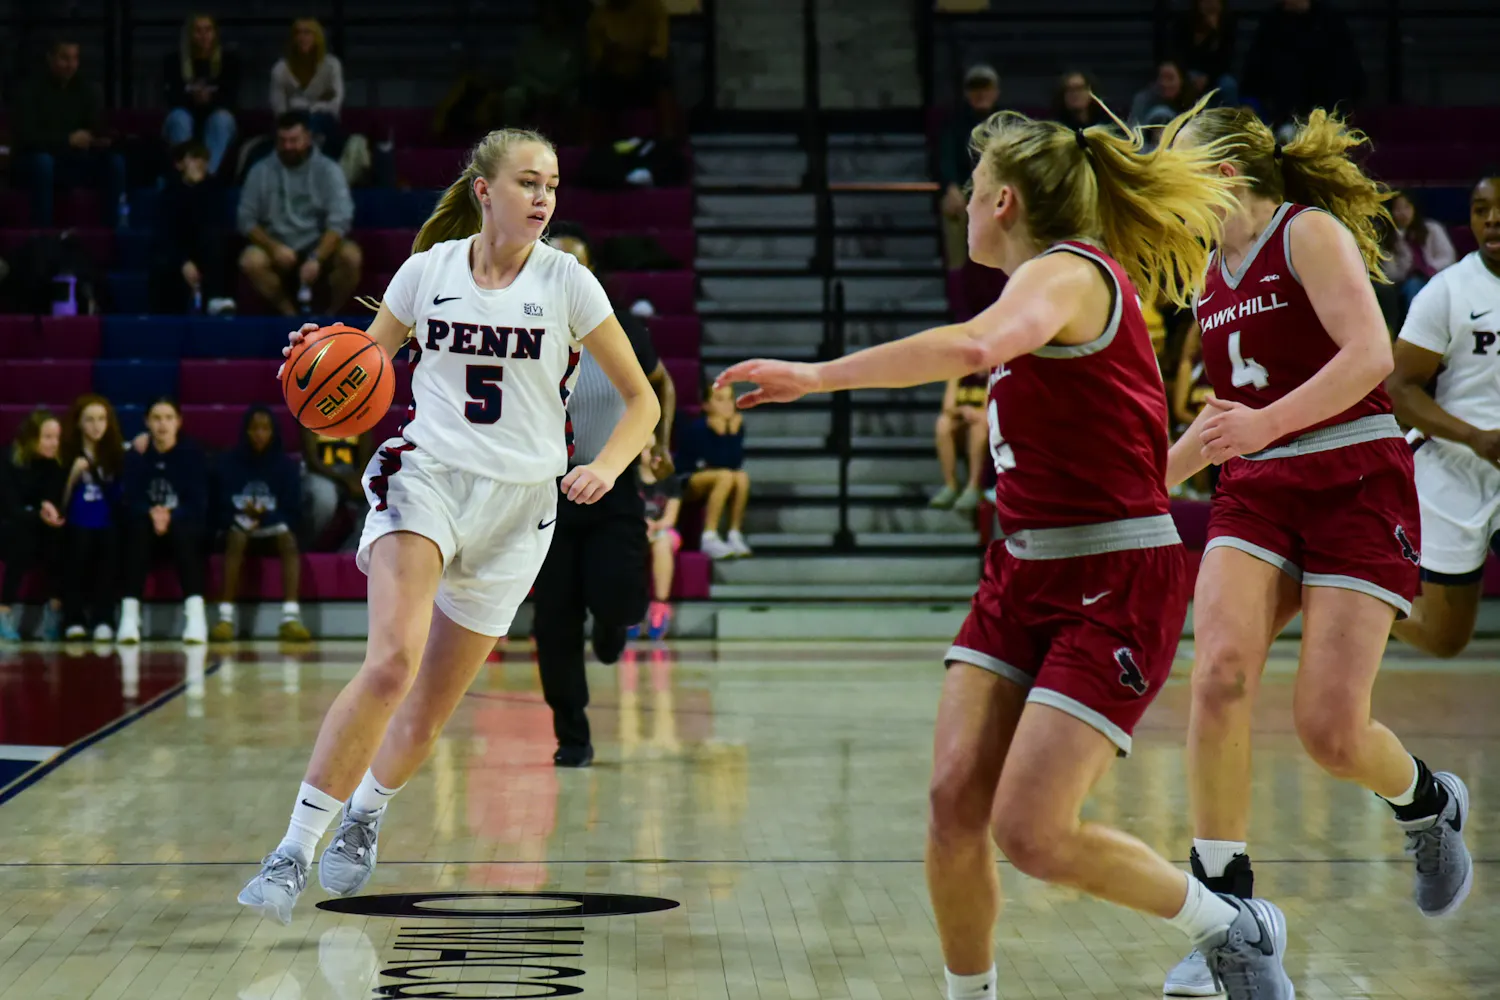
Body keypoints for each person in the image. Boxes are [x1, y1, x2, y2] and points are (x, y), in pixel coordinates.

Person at [718, 100, 1296, 1000]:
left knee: (1032, 832)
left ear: (1004, 203)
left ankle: (1232, 924)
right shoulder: (1037, 284)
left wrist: (819, 375)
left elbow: (978, 344)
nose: (961, 200)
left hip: (1113, 575)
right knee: (954, 803)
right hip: (1022, 567)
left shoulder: (1069, 275)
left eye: (973, 186)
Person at [236, 128, 659, 924]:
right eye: (528, 183)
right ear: (484, 191)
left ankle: (364, 811)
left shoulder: (569, 283)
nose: (543, 199)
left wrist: (606, 463)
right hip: (424, 476)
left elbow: (644, 401)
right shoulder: (427, 272)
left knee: (429, 707)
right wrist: (315, 358)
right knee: (391, 663)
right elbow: (361, 367)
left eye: (554, 186)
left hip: (521, 506)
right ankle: (292, 850)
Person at [1160, 106, 1473, 997]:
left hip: (1353, 483)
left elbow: (1371, 353)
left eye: (1178, 173)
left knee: (1330, 731)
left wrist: (1260, 424)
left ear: (1221, 174)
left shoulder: (1309, 233)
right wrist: (1137, 491)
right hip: (1258, 488)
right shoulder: (1205, 270)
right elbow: (1225, 423)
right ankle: (1229, 917)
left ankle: (1425, 803)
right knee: (1217, 672)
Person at [530, 221, 677, 767]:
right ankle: (573, 736)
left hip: (612, 485)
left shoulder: (625, 332)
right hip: (546, 497)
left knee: (619, 598)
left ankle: (614, 626)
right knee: (554, 623)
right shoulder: (523, 335)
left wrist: (656, 443)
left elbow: (658, 385)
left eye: (577, 264)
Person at [1385, 172, 1500, 660]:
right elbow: (1399, 389)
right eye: (1480, 209)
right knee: (1444, 638)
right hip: (1457, 465)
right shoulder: (1448, 290)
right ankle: (1353, 597)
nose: (1492, 219)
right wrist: (1476, 438)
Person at [237, 111, 362, 316]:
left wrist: (317, 257)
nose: (288, 147)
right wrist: (274, 247)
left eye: (294, 140)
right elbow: (246, 220)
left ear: (308, 138)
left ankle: (329, 316)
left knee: (351, 256)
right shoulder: (260, 171)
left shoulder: (329, 170)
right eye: (282, 141)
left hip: (319, 246)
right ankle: (289, 314)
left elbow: (340, 220)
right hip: (277, 246)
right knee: (251, 260)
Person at [212, 405, 310, 643]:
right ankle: (225, 618)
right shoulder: (228, 464)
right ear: (245, 431)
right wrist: (241, 516)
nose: (259, 434)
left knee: (289, 540)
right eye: (254, 428)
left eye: (265, 428)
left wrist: (264, 516)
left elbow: (293, 512)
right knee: (236, 536)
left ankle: (290, 618)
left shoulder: (286, 466)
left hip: (272, 530)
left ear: (273, 432)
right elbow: (217, 508)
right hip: (237, 530)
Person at [117, 398, 210, 645]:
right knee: (137, 530)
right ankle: (129, 617)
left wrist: (171, 514)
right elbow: (129, 498)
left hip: (182, 527)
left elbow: (198, 502)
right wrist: (151, 512)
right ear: (147, 422)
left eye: (169, 418)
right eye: (157, 418)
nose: (163, 424)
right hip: (145, 525)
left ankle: (195, 618)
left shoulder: (192, 454)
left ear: (178, 422)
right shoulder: (136, 455)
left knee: (184, 531)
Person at [10, 37, 126, 228]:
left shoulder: (85, 89)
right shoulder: (30, 90)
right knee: (43, 163)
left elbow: (94, 126)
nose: (71, 65)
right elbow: (27, 137)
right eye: (64, 58)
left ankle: (115, 232)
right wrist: (67, 140)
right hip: (36, 160)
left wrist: (100, 138)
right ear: (50, 58)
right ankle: (44, 237)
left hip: (73, 160)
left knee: (115, 162)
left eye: (75, 59)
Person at [1242, 0, 1364, 133]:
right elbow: (1254, 70)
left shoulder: (1331, 21)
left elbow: (1350, 72)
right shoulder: (1271, 22)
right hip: (1283, 119)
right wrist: (1250, 103)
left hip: (1327, 116)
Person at [59, 394, 124, 641]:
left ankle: (103, 619)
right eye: (90, 420)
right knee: (76, 551)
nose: (96, 425)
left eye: (101, 419)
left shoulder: (117, 454)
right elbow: (60, 502)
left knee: (109, 553)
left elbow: (120, 496)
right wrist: (72, 476)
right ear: (78, 423)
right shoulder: (65, 453)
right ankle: (73, 618)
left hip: (107, 521)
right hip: (76, 521)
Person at [0, 409, 66, 642]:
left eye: (56, 437)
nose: (53, 443)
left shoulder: (54, 465)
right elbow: (10, 507)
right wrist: (39, 512)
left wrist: (49, 509)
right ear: (31, 437)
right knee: (23, 534)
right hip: (9, 526)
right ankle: (4, 611)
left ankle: (54, 609)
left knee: (55, 534)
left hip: (38, 527)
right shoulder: (8, 459)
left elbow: (50, 499)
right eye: (47, 437)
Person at [151, 141, 233, 314]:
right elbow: (166, 233)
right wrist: (183, 262)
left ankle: (215, 298)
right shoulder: (169, 193)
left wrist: (199, 189)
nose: (200, 164)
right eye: (194, 158)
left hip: (206, 251)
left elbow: (217, 223)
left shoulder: (215, 189)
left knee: (216, 239)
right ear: (179, 164)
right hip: (178, 255)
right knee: (162, 259)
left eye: (203, 159)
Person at [585, 0, 681, 140]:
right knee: (590, 83)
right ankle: (588, 145)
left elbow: (659, 50)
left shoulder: (652, 9)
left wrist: (629, 54)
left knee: (661, 73)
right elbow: (596, 56)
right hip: (613, 73)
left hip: (644, 72)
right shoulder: (599, 16)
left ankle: (668, 137)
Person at [938, 65, 1003, 272]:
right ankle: (956, 282)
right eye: (975, 88)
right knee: (951, 210)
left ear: (995, 92)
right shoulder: (954, 124)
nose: (981, 93)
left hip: (1000, 195)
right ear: (967, 93)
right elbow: (945, 158)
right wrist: (950, 187)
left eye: (986, 87)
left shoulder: (1007, 122)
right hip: (966, 195)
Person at [677, 383, 751, 560]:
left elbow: (735, 463)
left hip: (718, 476)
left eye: (730, 399)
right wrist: (720, 435)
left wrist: (730, 434)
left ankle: (734, 534)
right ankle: (709, 536)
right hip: (686, 479)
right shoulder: (698, 427)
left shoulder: (735, 426)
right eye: (719, 399)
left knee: (741, 477)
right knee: (725, 476)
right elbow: (707, 463)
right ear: (706, 405)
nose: (726, 404)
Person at [162, 13, 240, 177]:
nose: (204, 35)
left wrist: (208, 99)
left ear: (215, 34)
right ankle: (186, 175)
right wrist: (194, 99)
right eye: (198, 31)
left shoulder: (229, 61)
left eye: (208, 30)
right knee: (178, 118)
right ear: (190, 34)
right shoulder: (173, 61)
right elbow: (171, 99)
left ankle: (204, 177)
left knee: (222, 119)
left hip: (217, 117)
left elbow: (231, 98)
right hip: (185, 115)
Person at [1377, 191, 1457, 332]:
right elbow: (1390, 274)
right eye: (1398, 209)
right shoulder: (1389, 237)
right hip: (1403, 284)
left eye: (1407, 207)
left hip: (1435, 278)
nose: (1403, 213)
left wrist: (1429, 269)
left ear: (1414, 209)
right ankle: (1417, 332)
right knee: (1413, 285)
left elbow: (1448, 258)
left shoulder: (1432, 229)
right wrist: (1408, 266)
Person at [269, 19, 345, 156]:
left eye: (307, 33)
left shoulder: (332, 65)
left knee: (320, 123)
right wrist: (317, 103)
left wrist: (303, 105)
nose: (302, 37)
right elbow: (279, 110)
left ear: (317, 37)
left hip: (324, 121)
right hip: (291, 122)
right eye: (298, 33)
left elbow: (334, 104)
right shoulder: (280, 69)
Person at [503, 0, 585, 128]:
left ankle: (577, 143)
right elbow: (522, 72)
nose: (550, 18)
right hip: (534, 90)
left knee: (581, 97)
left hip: (564, 91)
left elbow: (576, 72)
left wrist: (558, 90)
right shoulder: (529, 42)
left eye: (554, 14)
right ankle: (515, 138)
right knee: (513, 96)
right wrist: (542, 89)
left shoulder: (571, 42)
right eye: (547, 14)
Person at [301, 427, 373, 550]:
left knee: (376, 496)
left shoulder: (360, 414)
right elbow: (312, 461)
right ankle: (308, 546)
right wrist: (344, 480)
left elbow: (367, 456)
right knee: (324, 499)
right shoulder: (311, 413)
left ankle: (351, 552)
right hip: (321, 474)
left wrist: (360, 478)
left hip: (351, 473)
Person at [636, 445, 680, 640]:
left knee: (663, 541)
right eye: (648, 450)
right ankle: (631, 607)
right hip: (634, 529)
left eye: (657, 450)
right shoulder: (627, 478)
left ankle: (660, 607)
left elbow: (670, 517)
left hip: (662, 530)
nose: (655, 456)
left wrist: (656, 525)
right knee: (629, 541)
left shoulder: (670, 480)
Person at [930, 370, 989, 512]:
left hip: (986, 428)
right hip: (963, 425)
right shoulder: (958, 372)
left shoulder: (995, 371)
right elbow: (948, 407)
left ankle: (973, 486)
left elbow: (989, 408)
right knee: (943, 423)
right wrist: (964, 410)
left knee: (979, 427)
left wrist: (975, 414)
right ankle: (950, 485)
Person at [1174, 0, 1238, 107]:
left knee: (1229, 84)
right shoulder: (1185, 21)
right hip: (1190, 71)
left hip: (1216, 73)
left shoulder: (1228, 23)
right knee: (1189, 85)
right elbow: (1181, 56)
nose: (1210, 5)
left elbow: (1225, 60)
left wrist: (1215, 34)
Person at [1130, 60, 1196, 128]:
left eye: (1170, 78)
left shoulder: (1194, 104)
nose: (1164, 83)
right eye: (1161, 77)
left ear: (1182, 80)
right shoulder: (1143, 101)